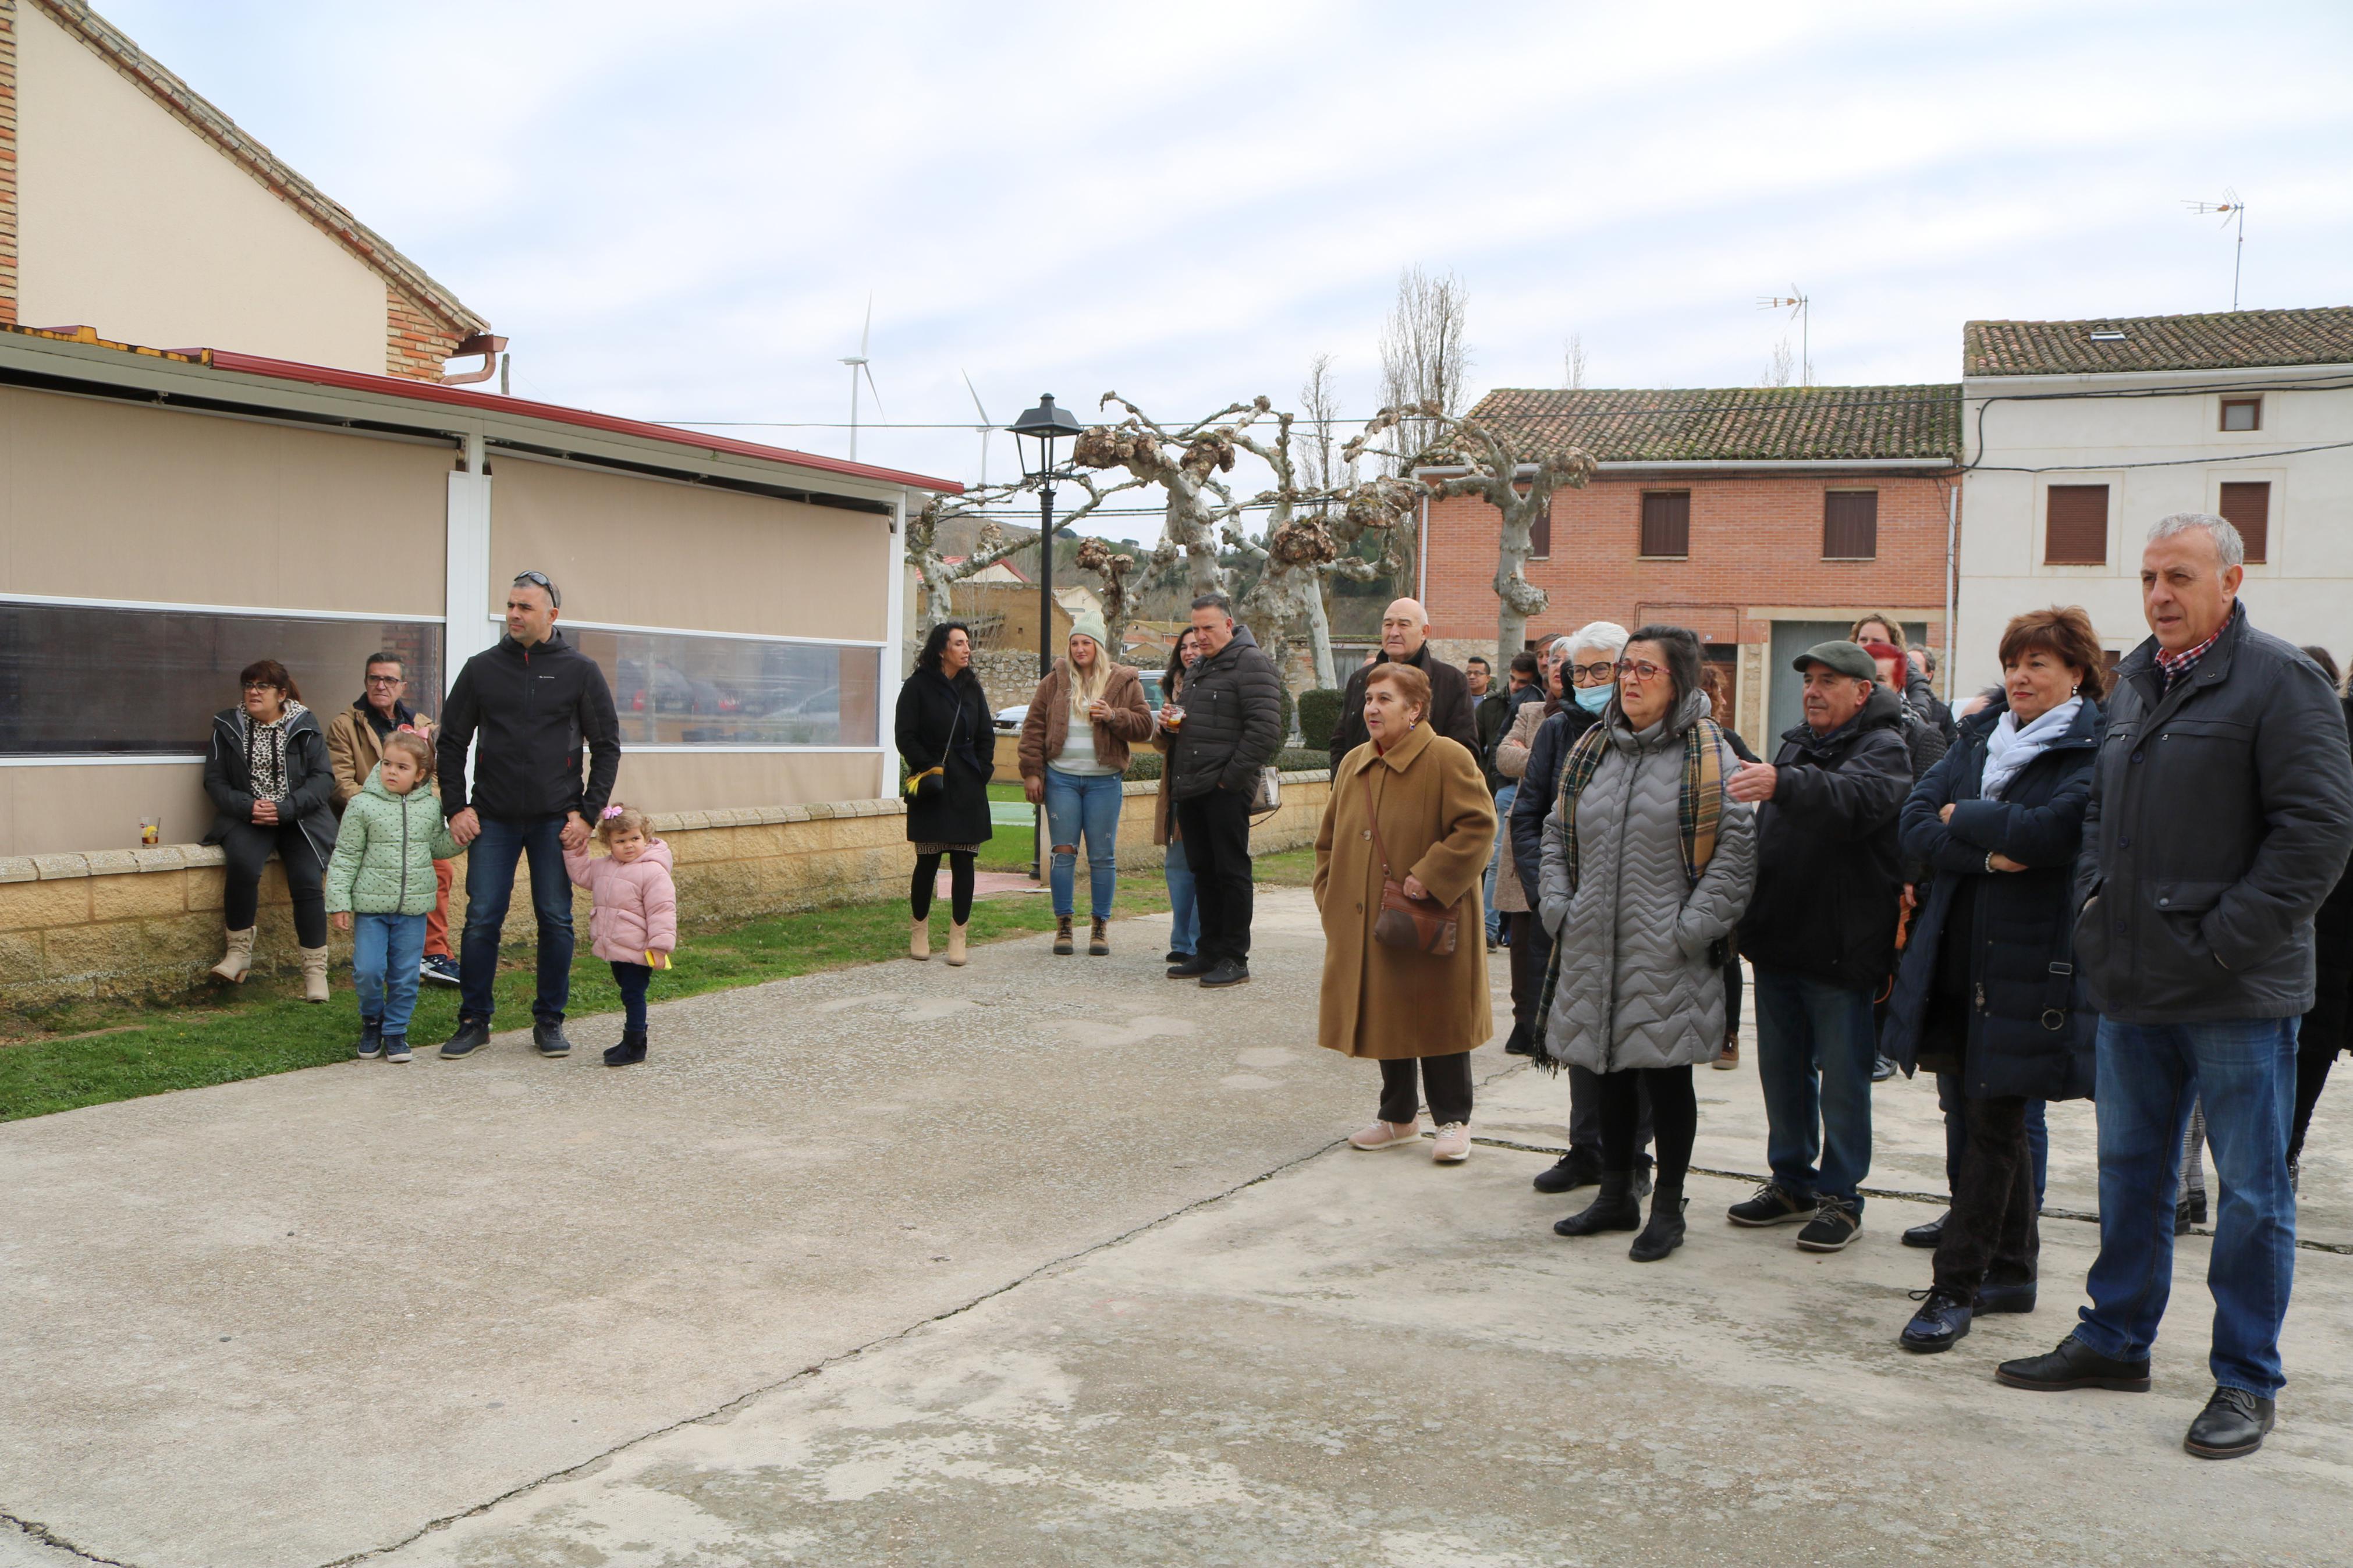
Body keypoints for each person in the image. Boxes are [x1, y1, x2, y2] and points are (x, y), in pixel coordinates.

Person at [1997, 513, 2353, 1462]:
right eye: (2149, 577)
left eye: (2180, 576)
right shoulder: (2133, 683)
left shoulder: (2281, 682)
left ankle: (2245, 1376)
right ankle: (2114, 1339)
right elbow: (2099, 816)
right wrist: (2091, 908)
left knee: (2249, 1193)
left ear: (2230, 582)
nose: (2159, 593)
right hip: (2131, 981)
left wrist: (2220, 943)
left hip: (2236, 990)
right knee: (2129, 1174)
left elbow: (2315, 834)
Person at [1880, 607, 2105, 1353]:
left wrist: (1965, 813)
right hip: (1953, 957)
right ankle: (2011, 1269)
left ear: (2075, 673)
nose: (2019, 676)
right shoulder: (1980, 735)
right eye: (2013, 662)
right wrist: (1981, 851)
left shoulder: (2090, 745)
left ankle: (1955, 1287)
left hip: (2027, 967)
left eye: (2037, 663)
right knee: (1974, 1114)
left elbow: (2051, 832)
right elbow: (1915, 820)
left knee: (1993, 1125)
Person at [1538, 626, 1756, 1261]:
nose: (1629, 680)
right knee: (1605, 1069)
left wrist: (1689, 929)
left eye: (1645, 670)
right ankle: (1615, 1194)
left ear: (1678, 681)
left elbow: (1735, 854)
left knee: (1665, 1079)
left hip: (1667, 951)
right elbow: (1555, 833)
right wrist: (1558, 907)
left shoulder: (1710, 755)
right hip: (1591, 941)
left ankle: (1667, 1205)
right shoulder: (1593, 748)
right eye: (1625, 667)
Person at [1727, 639, 1912, 1251]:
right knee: (1781, 1073)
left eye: (1828, 681)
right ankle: (1790, 1183)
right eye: (1808, 679)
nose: (1812, 690)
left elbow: (1852, 803)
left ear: (1862, 692)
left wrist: (1782, 782)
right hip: (1779, 940)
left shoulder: (1883, 747)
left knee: (1842, 1080)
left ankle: (1840, 1197)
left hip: (1841, 947)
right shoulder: (1796, 744)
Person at [436, 572, 623, 1061]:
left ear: (552, 615)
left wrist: (587, 815)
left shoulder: (580, 671)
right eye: (510, 606)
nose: (514, 615)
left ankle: (550, 1020)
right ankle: (474, 1020)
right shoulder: (481, 669)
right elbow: (451, 742)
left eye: (525, 607)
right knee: (481, 919)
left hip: (555, 821)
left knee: (556, 919)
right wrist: (455, 807)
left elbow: (606, 747)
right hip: (492, 819)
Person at [1315, 662, 1496, 1164]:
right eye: (1368, 699)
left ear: (1414, 709)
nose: (1372, 708)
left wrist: (1431, 875)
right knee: (1384, 1014)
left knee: (1439, 1015)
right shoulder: (1355, 761)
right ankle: (1397, 1117)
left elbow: (1478, 827)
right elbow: (1328, 840)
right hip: (1367, 920)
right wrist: (1330, 895)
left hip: (1430, 916)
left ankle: (1453, 1119)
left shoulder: (1447, 757)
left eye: (1385, 699)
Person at [1019, 610, 1155, 957]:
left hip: (1104, 782)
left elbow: (1145, 727)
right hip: (1061, 779)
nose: (1079, 649)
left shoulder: (1124, 682)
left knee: (1102, 856)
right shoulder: (1053, 682)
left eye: (1086, 643)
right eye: (1074, 643)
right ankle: (1064, 925)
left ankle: (1099, 927)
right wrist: (1032, 771)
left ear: (1098, 646)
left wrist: (1113, 716)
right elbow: (1033, 728)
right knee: (1063, 853)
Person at [204, 659, 340, 1001]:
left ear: (281, 694)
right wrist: (248, 806)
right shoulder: (227, 725)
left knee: (307, 880)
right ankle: (238, 953)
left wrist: (286, 808)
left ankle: (315, 973)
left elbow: (323, 779)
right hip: (248, 816)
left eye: (262, 686)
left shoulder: (305, 724)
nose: (253, 692)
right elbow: (215, 781)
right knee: (242, 865)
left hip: (300, 817)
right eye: (248, 685)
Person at [1166, 593, 1283, 988]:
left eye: (1208, 628)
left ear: (1229, 625)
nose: (1200, 636)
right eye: (1195, 628)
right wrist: (1171, 725)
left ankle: (1235, 957)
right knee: (1203, 872)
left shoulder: (1252, 664)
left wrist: (1227, 781)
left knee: (1231, 873)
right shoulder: (1200, 666)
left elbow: (1265, 731)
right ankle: (1209, 951)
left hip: (1224, 789)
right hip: (1192, 787)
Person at [326, 652, 460, 989]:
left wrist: (425, 805)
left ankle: (433, 953)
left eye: (389, 679)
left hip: (415, 819)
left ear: (403, 686)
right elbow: (341, 782)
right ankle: (399, 957)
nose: (381, 685)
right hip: (369, 823)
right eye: (374, 678)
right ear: (365, 682)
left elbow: (435, 775)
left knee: (440, 868)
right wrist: (380, 808)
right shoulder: (346, 724)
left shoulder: (421, 724)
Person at [324, 731, 459, 1063]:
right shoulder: (361, 805)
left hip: (413, 909)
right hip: (371, 909)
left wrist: (462, 836)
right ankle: (372, 1021)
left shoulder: (431, 807)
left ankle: (396, 1031)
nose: (392, 772)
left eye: (402, 767)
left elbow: (438, 847)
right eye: (387, 764)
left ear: (420, 774)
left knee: (406, 975)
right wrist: (339, 901)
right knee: (368, 971)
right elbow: (346, 855)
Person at [2290, 649, 2353, 1193]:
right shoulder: (2334, 725)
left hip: (2326, 916)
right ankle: (2283, 1157)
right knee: (2307, 1049)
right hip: (2327, 918)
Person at [897, 620, 995, 968]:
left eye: (967, 643)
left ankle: (958, 938)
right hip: (932, 784)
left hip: (968, 784)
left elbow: (986, 735)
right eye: (959, 644)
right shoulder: (917, 687)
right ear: (942, 650)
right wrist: (929, 766)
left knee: (964, 861)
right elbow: (905, 736)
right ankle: (919, 932)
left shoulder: (972, 688)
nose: (967, 649)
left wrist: (982, 771)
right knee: (928, 860)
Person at [565, 803, 677, 1066]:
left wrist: (660, 947)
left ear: (646, 837)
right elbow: (581, 874)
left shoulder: (653, 871)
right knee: (626, 992)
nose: (629, 846)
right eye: (621, 841)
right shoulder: (604, 868)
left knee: (633, 994)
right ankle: (630, 1039)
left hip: (640, 949)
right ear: (608, 843)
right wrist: (574, 845)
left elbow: (662, 910)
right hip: (617, 947)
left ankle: (636, 1044)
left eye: (635, 839)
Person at [1699, 662, 1762, 1070]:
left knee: (1725, 948)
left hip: (1720, 854)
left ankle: (1728, 1034)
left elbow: (1756, 772)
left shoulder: (1726, 739)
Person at [1328, 598, 1478, 765]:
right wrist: (1344, 778)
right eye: (1388, 625)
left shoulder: (1451, 681)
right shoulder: (1360, 679)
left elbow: (1464, 753)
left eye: (1403, 625)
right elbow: (1340, 741)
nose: (1394, 633)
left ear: (1424, 632)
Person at [1154, 628, 1205, 965]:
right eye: (1184, 647)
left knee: (1202, 867)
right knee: (1176, 866)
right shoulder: (1172, 687)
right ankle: (1181, 940)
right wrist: (1164, 726)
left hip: (1205, 786)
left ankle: (1199, 942)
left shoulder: (1215, 685)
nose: (1189, 652)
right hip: (1175, 787)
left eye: (1195, 646)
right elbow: (1160, 745)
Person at [1852, 612, 1956, 742]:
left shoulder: (1914, 682)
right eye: (1863, 640)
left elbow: (1919, 719)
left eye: (1877, 641)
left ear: (1894, 645)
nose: (1868, 645)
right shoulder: (1842, 672)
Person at [1468, 653, 1511, 948]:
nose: (1472, 677)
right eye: (1468, 673)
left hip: (1500, 787)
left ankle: (1496, 927)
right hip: (1486, 783)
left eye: (1477, 673)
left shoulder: (1495, 704)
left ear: (1488, 677)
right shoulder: (1478, 706)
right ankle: (1486, 927)